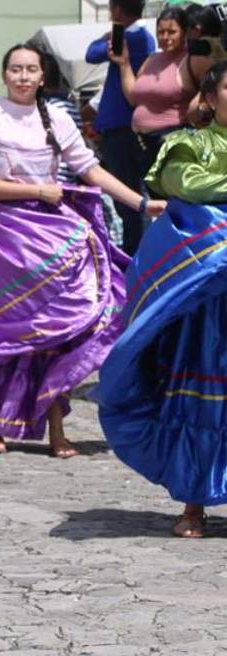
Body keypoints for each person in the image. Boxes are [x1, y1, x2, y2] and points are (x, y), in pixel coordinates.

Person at [0, 43, 164, 457]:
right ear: (4, 75)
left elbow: (90, 169)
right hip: (5, 239)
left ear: (42, 76)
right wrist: (35, 190)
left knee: (58, 332)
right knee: (3, 333)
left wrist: (141, 202)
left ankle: (56, 430)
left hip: (52, 235)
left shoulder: (55, 117)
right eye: (15, 69)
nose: (23, 76)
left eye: (30, 69)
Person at [99, 61, 227, 538]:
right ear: (209, 97)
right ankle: (193, 504)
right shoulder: (187, 144)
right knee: (202, 400)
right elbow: (184, 187)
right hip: (203, 304)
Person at [85, 0, 156, 254]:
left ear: (116, 10)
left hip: (122, 129)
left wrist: (108, 35)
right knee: (135, 195)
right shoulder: (145, 37)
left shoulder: (127, 37)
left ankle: (134, 253)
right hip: (129, 127)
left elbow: (91, 53)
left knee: (128, 197)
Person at [109, 5, 198, 174]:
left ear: (184, 33)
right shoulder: (152, 59)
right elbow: (134, 98)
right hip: (140, 142)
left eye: (172, 32)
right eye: (161, 32)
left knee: (168, 197)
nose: (165, 37)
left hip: (170, 142)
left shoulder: (191, 60)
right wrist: (124, 64)